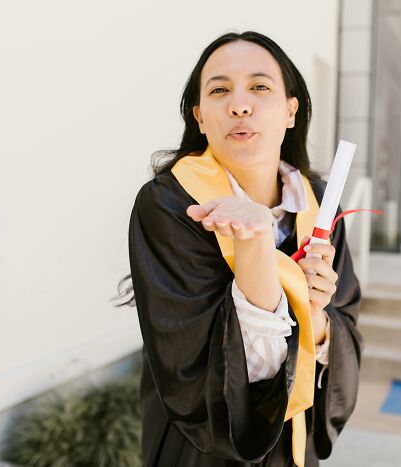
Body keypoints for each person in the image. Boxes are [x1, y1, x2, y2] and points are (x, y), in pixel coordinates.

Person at [125, 31, 363, 466]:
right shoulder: (172, 204)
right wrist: (253, 246)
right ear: (199, 117)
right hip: (200, 452)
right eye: (219, 90)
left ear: (291, 110)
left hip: (294, 450)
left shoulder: (321, 207)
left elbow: (345, 328)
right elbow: (199, 375)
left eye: (259, 87)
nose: (239, 104)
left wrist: (318, 320)